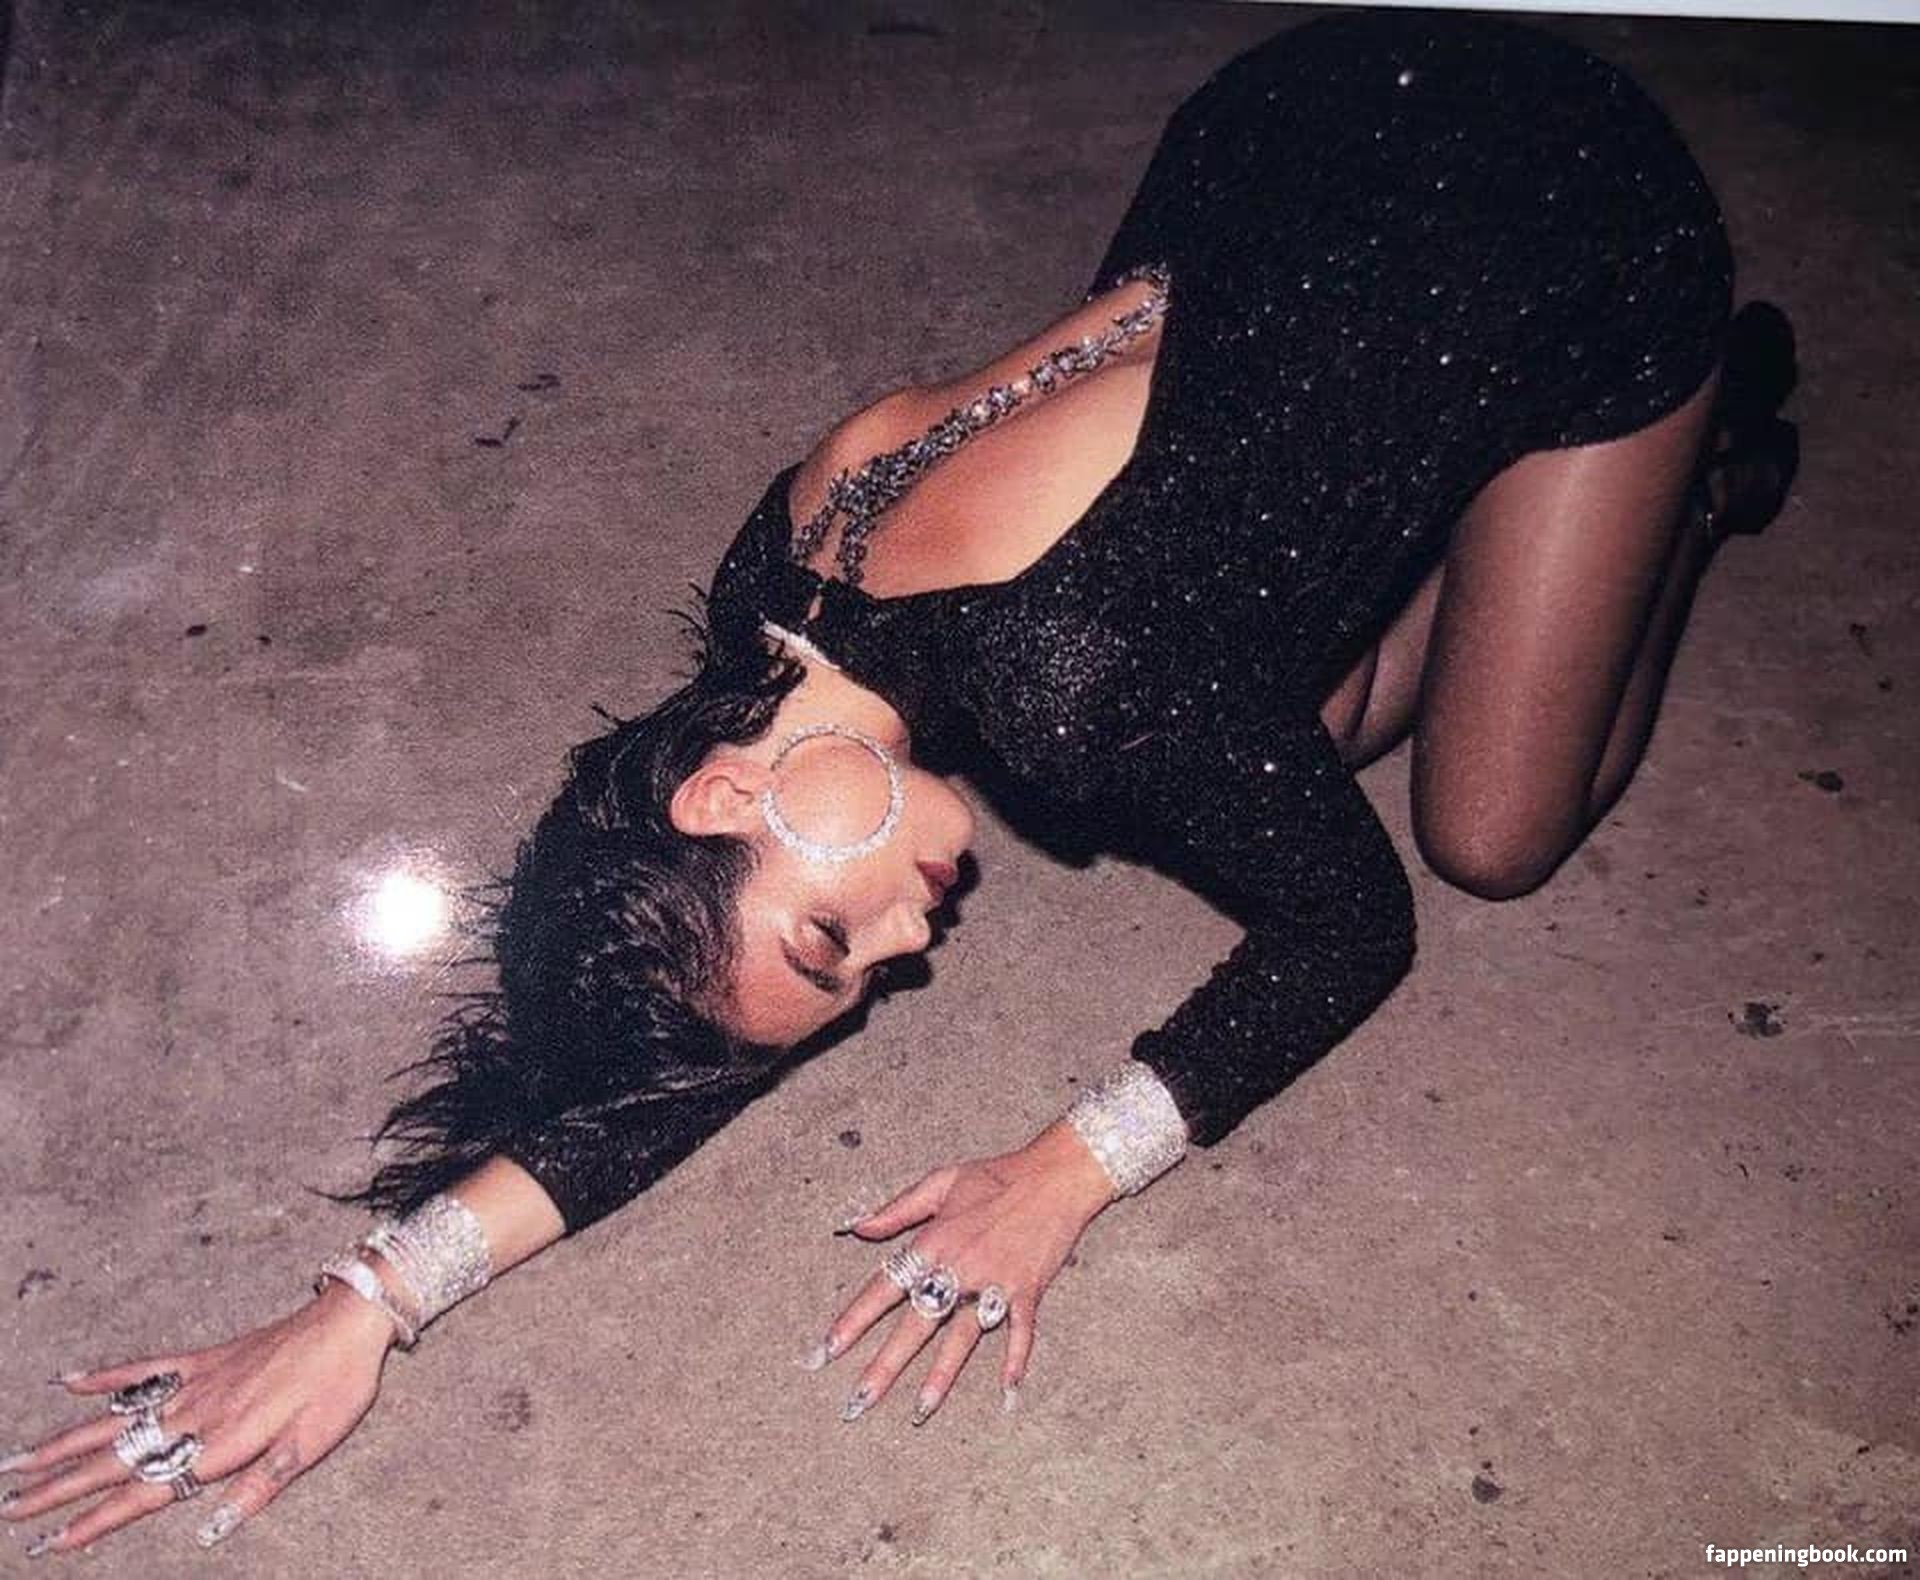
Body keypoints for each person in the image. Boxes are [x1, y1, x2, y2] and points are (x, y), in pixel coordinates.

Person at [2, 9, 1798, 1558]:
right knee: (1285, 729)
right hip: (1299, 103)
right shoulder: (769, 608)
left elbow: (1351, 933)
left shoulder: (1080, 690)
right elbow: (693, 1036)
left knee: (1490, 831)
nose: (905, 951)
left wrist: (1066, 1171)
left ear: (724, 802)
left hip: (1550, 198)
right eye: (864, 976)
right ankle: (1497, 522)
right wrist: (368, 1302)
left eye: (831, 943)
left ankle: (1694, 466)